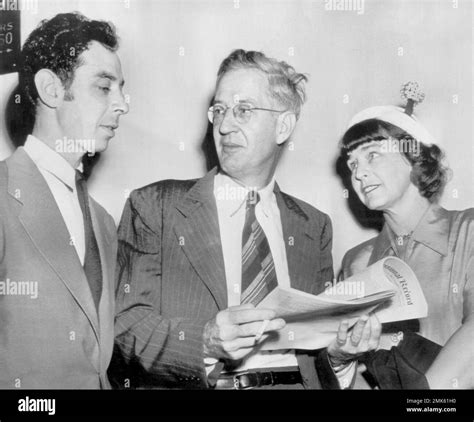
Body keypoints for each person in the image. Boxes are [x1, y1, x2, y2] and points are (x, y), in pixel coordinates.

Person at [111, 49, 378, 389]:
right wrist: (203, 342)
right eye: (219, 110)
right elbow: (126, 326)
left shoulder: (314, 226)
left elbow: (315, 357)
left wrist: (340, 356)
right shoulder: (156, 207)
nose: (223, 126)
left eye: (243, 110)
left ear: (283, 126)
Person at [0, 12, 129, 388]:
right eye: (104, 88)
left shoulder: (103, 221)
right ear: (51, 89)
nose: (123, 105)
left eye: (121, 89)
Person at [338, 82, 474, 389]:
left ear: (413, 157)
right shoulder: (357, 263)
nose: (358, 173)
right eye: (352, 164)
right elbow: (359, 372)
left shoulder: (469, 231)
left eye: (372, 155)